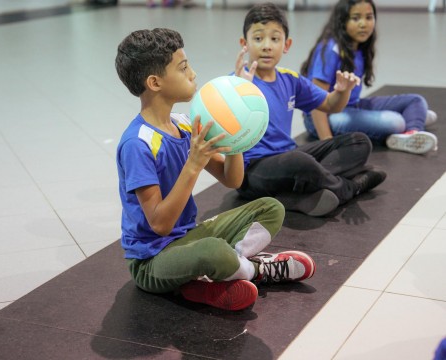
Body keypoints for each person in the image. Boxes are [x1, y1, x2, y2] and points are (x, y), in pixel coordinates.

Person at [115, 28, 316, 311]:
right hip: (151, 260)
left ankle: (208, 279)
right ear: (155, 82)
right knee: (212, 251)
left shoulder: (185, 124)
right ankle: (255, 270)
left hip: (188, 238)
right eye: (183, 68)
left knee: (271, 208)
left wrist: (237, 137)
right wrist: (193, 165)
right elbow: (160, 225)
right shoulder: (137, 144)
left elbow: (232, 180)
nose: (193, 74)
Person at [233, 2, 386, 217]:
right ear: (244, 44)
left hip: (289, 158)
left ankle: (292, 196)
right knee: (301, 163)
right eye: (258, 38)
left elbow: (331, 105)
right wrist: (239, 92)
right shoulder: (234, 83)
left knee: (359, 142)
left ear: (286, 45)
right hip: (253, 172)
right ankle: (350, 188)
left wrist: (342, 91)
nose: (267, 46)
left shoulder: (290, 79)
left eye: (275, 39)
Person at [300, 0, 438, 155]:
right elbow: (316, 103)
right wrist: (327, 142)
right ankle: (409, 122)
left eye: (369, 17)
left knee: (416, 101)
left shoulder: (360, 46)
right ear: (342, 21)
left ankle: (412, 133)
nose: (363, 24)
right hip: (327, 115)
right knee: (396, 121)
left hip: (352, 106)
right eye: (356, 18)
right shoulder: (331, 49)